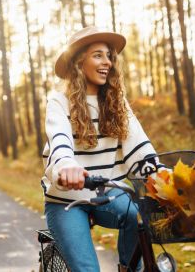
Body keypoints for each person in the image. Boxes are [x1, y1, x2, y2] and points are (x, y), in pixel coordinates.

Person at [42, 26, 159, 272]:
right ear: (78, 62)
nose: (107, 62)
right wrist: (66, 167)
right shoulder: (59, 102)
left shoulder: (117, 104)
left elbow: (139, 149)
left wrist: (162, 176)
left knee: (135, 216)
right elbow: (60, 141)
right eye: (98, 55)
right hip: (66, 199)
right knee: (87, 269)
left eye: (109, 56)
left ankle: (129, 269)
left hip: (109, 193)